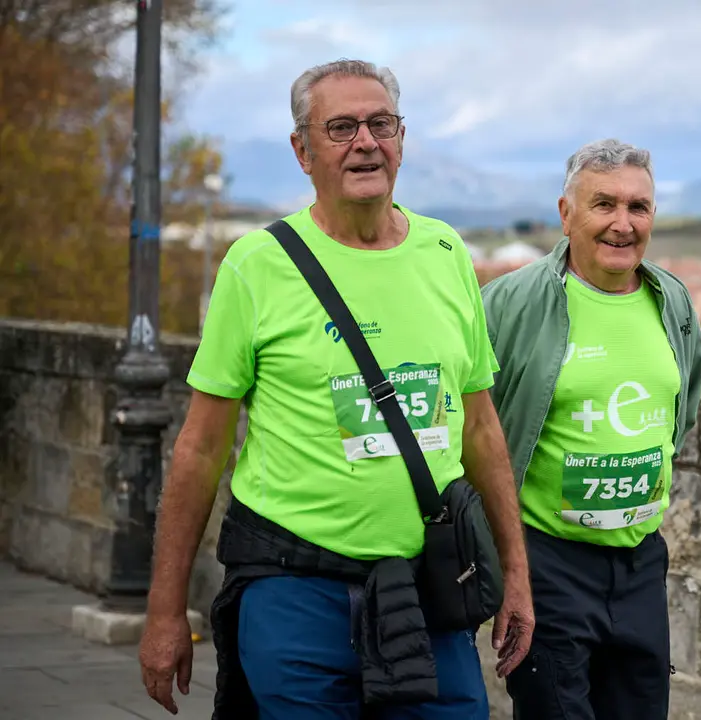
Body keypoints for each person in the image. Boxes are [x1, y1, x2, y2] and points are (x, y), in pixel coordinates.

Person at [137, 58, 533, 719]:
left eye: (382, 124)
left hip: (427, 590)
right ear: (303, 151)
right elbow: (200, 450)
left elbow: (480, 428)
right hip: (295, 591)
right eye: (342, 127)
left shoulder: (445, 254)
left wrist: (516, 574)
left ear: (402, 138)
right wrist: (163, 611)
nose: (366, 142)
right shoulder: (257, 266)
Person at [480, 138, 701, 719]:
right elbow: (475, 426)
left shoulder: (673, 301)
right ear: (567, 213)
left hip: (640, 562)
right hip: (549, 564)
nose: (622, 224)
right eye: (604, 204)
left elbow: (683, 412)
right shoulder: (509, 304)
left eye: (638, 207)